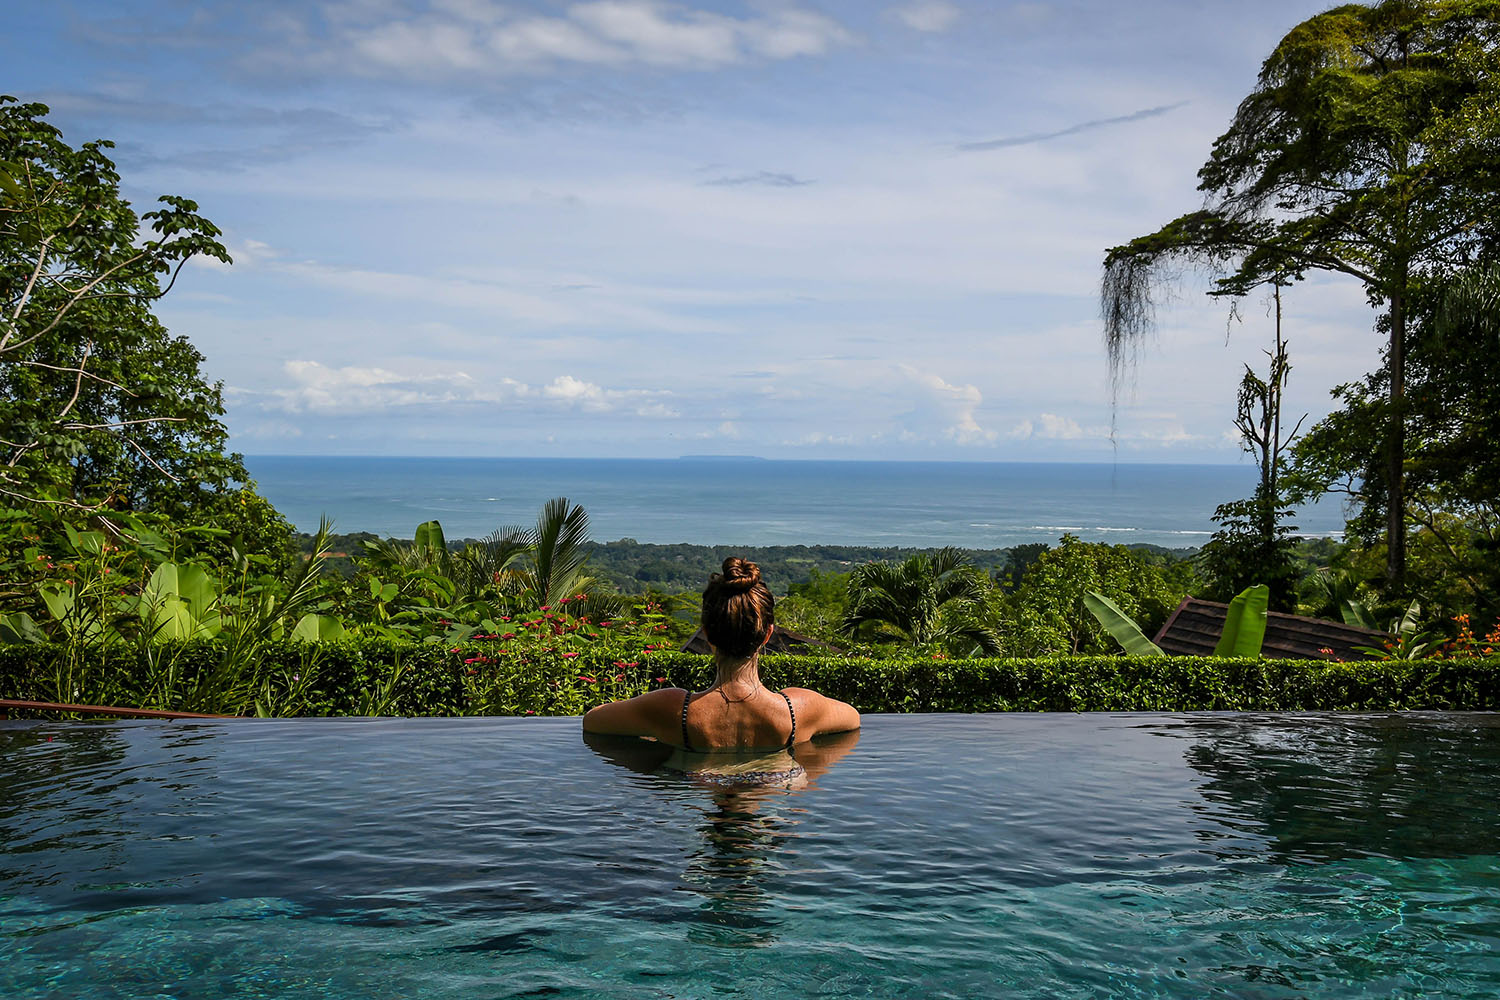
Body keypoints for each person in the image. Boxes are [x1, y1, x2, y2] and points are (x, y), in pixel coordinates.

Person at [582, 557, 860, 749]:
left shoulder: (672, 710)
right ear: (767, 635)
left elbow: (593, 720)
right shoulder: (798, 710)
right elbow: (852, 718)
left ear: (707, 634)